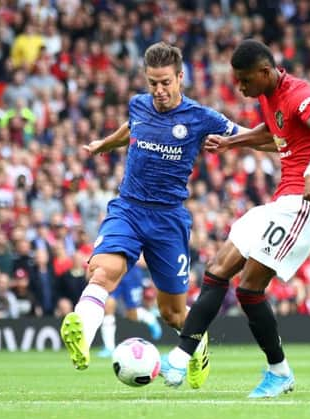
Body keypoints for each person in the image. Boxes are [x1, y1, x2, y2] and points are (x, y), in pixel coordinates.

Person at [60, 42, 261, 385]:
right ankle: (82, 328)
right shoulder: (139, 104)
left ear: (180, 78)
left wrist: (289, 147)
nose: (159, 90)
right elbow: (130, 128)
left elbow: (248, 135)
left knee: (172, 313)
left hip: (168, 220)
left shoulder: (200, 117)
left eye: (166, 82)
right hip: (129, 207)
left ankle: (198, 346)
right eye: (153, 82)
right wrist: (104, 145)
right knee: (103, 270)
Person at [160, 39, 310, 398]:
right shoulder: (269, 96)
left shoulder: (297, 93)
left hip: (307, 203)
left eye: (245, 81)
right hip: (281, 202)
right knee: (217, 268)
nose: (241, 88)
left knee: (249, 289)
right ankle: (182, 354)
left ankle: (279, 372)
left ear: (265, 71)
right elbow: (275, 134)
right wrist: (232, 142)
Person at [97, 264, 162, 358]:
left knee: (131, 313)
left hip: (131, 274)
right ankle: (109, 347)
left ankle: (149, 318)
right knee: (108, 305)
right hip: (114, 273)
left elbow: (143, 259)